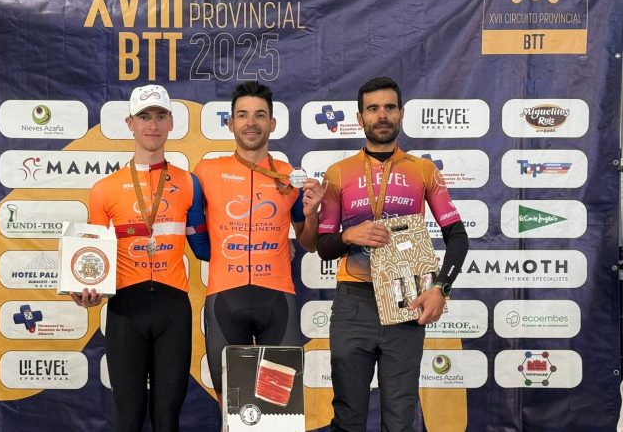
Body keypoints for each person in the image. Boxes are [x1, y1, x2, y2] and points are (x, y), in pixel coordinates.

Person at [316, 76, 469, 432]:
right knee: (348, 418)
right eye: (373, 109)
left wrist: (441, 288)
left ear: (401, 113)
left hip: (406, 301)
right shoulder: (338, 173)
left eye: (388, 107)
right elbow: (323, 247)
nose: (381, 115)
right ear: (360, 118)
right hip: (353, 304)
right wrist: (348, 235)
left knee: (400, 420)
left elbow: (457, 237)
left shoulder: (424, 170)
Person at [70, 84, 210, 432]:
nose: (152, 125)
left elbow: (204, 248)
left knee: (167, 418)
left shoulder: (189, 183)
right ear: (130, 123)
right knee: (129, 417)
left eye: (160, 116)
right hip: (125, 310)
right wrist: (84, 291)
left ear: (171, 123)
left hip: (173, 309)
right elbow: (93, 261)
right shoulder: (104, 189)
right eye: (144, 117)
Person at [194, 81, 324, 403]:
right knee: (231, 406)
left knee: (280, 408)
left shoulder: (290, 176)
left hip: (277, 301)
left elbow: (309, 243)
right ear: (230, 123)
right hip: (225, 300)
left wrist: (312, 215)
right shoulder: (206, 171)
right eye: (242, 115)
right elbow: (191, 229)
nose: (251, 123)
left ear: (272, 123)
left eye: (260, 115)